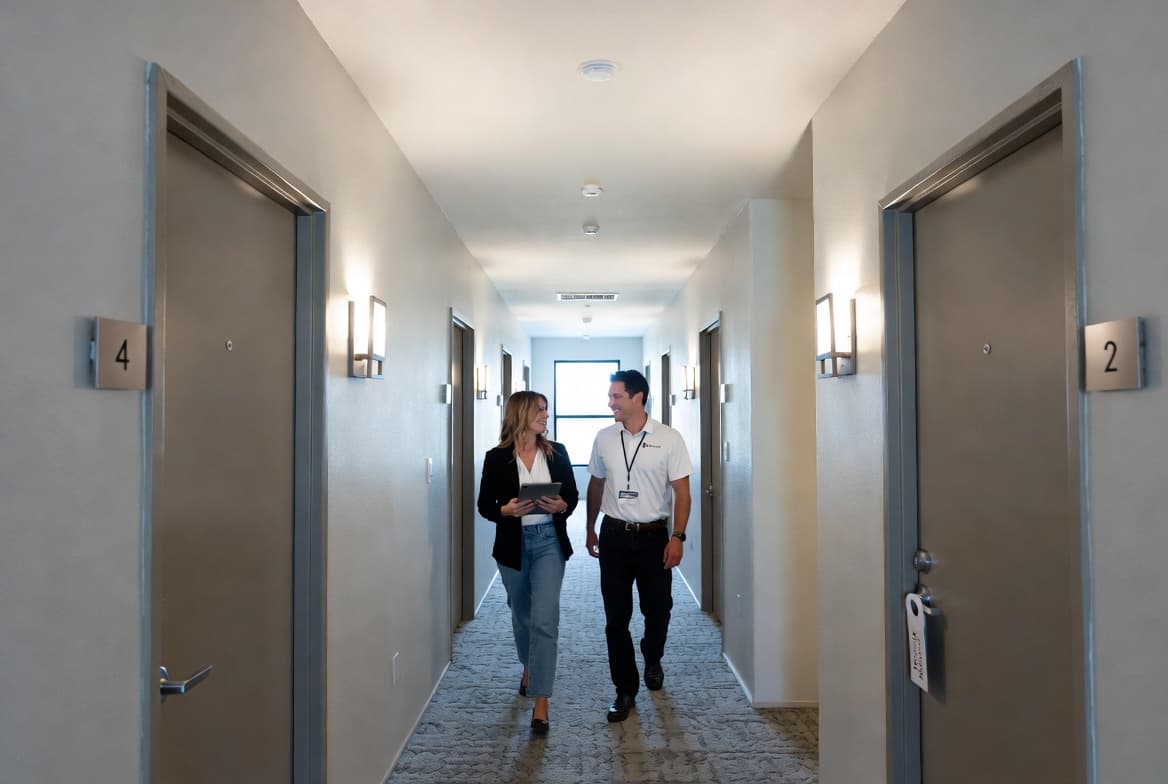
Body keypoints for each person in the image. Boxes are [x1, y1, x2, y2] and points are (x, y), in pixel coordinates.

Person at [585, 369, 693, 722]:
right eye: (610, 396)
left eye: (616, 396)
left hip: (653, 537)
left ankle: (653, 657)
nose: (610, 402)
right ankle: (624, 689)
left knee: (658, 608)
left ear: (638, 397)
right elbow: (596, 485)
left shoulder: (669, 438)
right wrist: (590, 527)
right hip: (614, 534)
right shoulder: (603, 438)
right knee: (616, 617)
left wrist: (677, 536)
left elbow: (682, 492)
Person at [477, 390, 578, 735]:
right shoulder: (496, 457)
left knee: (545, 620)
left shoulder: (557, 452)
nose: (546, 416)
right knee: (522, 617)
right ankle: (529, 667)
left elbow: (573, 496)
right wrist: (504, 510)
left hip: (549, 541)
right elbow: (484, 505)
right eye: (540, 410)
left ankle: (541, 701)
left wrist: (561, 505)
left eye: (547, 411)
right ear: (520, 414)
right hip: (512, 546)